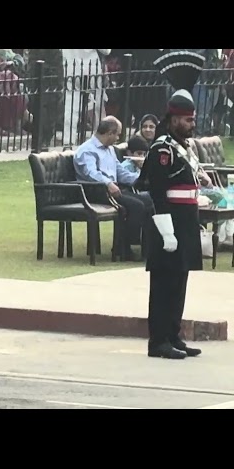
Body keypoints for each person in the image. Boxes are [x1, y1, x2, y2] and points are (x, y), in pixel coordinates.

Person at [141, 50, 206, 359]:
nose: (191, 124)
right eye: (186, 120)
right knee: (164, 284)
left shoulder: (184, 148)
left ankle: (174, 334)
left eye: (192, 119)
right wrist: (167, 232)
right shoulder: (162, 149)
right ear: (173, 119)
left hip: (186, 220)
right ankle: (159, 341)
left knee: (180, 281)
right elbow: (157, 192)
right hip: (167, 223)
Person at [74, 116, 154, 260]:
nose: (118, 137)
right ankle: (122, 247)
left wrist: (141, 180)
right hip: (95, 191)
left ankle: (148, 248)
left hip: (114, 190)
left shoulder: (110, 149)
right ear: (109, 133)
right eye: (117, 134)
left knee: (150, 200)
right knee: (136, 206)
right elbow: (91, 173)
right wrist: (108, 184)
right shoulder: (87, 150)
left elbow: (119, 171)